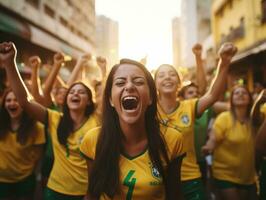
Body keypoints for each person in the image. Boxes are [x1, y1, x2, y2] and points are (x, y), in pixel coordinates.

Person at [0, 41, 99, 200]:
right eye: (72, 91)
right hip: (53, 191)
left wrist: (91, 194)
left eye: (81, 92)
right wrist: (10, 62)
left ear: (89, 101)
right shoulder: (54, 118)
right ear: (66, 100)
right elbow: (25, 101)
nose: (75, 94)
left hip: (83, 194)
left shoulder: (96, 124)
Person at [80, 59, 185, 199]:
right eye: (120, 83)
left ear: (151, 98)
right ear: (111, 99)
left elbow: (175, 196)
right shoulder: (93, 140)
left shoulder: (172, 139)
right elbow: (92, 194)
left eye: (138, 81)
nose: (129, 86)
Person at [154, 42, 237, 200]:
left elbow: (212, 95)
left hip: (191, 179)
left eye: (172, 74)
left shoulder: (190, 106)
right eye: (161, 75)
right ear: (155, 83)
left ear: (179, 82)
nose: (167, 78)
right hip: (159, 181)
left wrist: (224, 62)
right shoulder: (149, 111)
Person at [202, 85, 257, 200]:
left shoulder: (255, 120)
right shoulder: (224, 118)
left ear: (250, 99)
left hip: (247, 177)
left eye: (244, 93)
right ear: (231, 99)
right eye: (236, 93)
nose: (240, 94)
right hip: (224, 175)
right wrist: (208, 147)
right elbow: (213, 139)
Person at [0, 89, 45, 200]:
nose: (12, 103)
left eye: (16, 100)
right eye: (8, 100)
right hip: (1, 182)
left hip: (25, 181)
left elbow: (39, 157)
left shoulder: (37, 127)